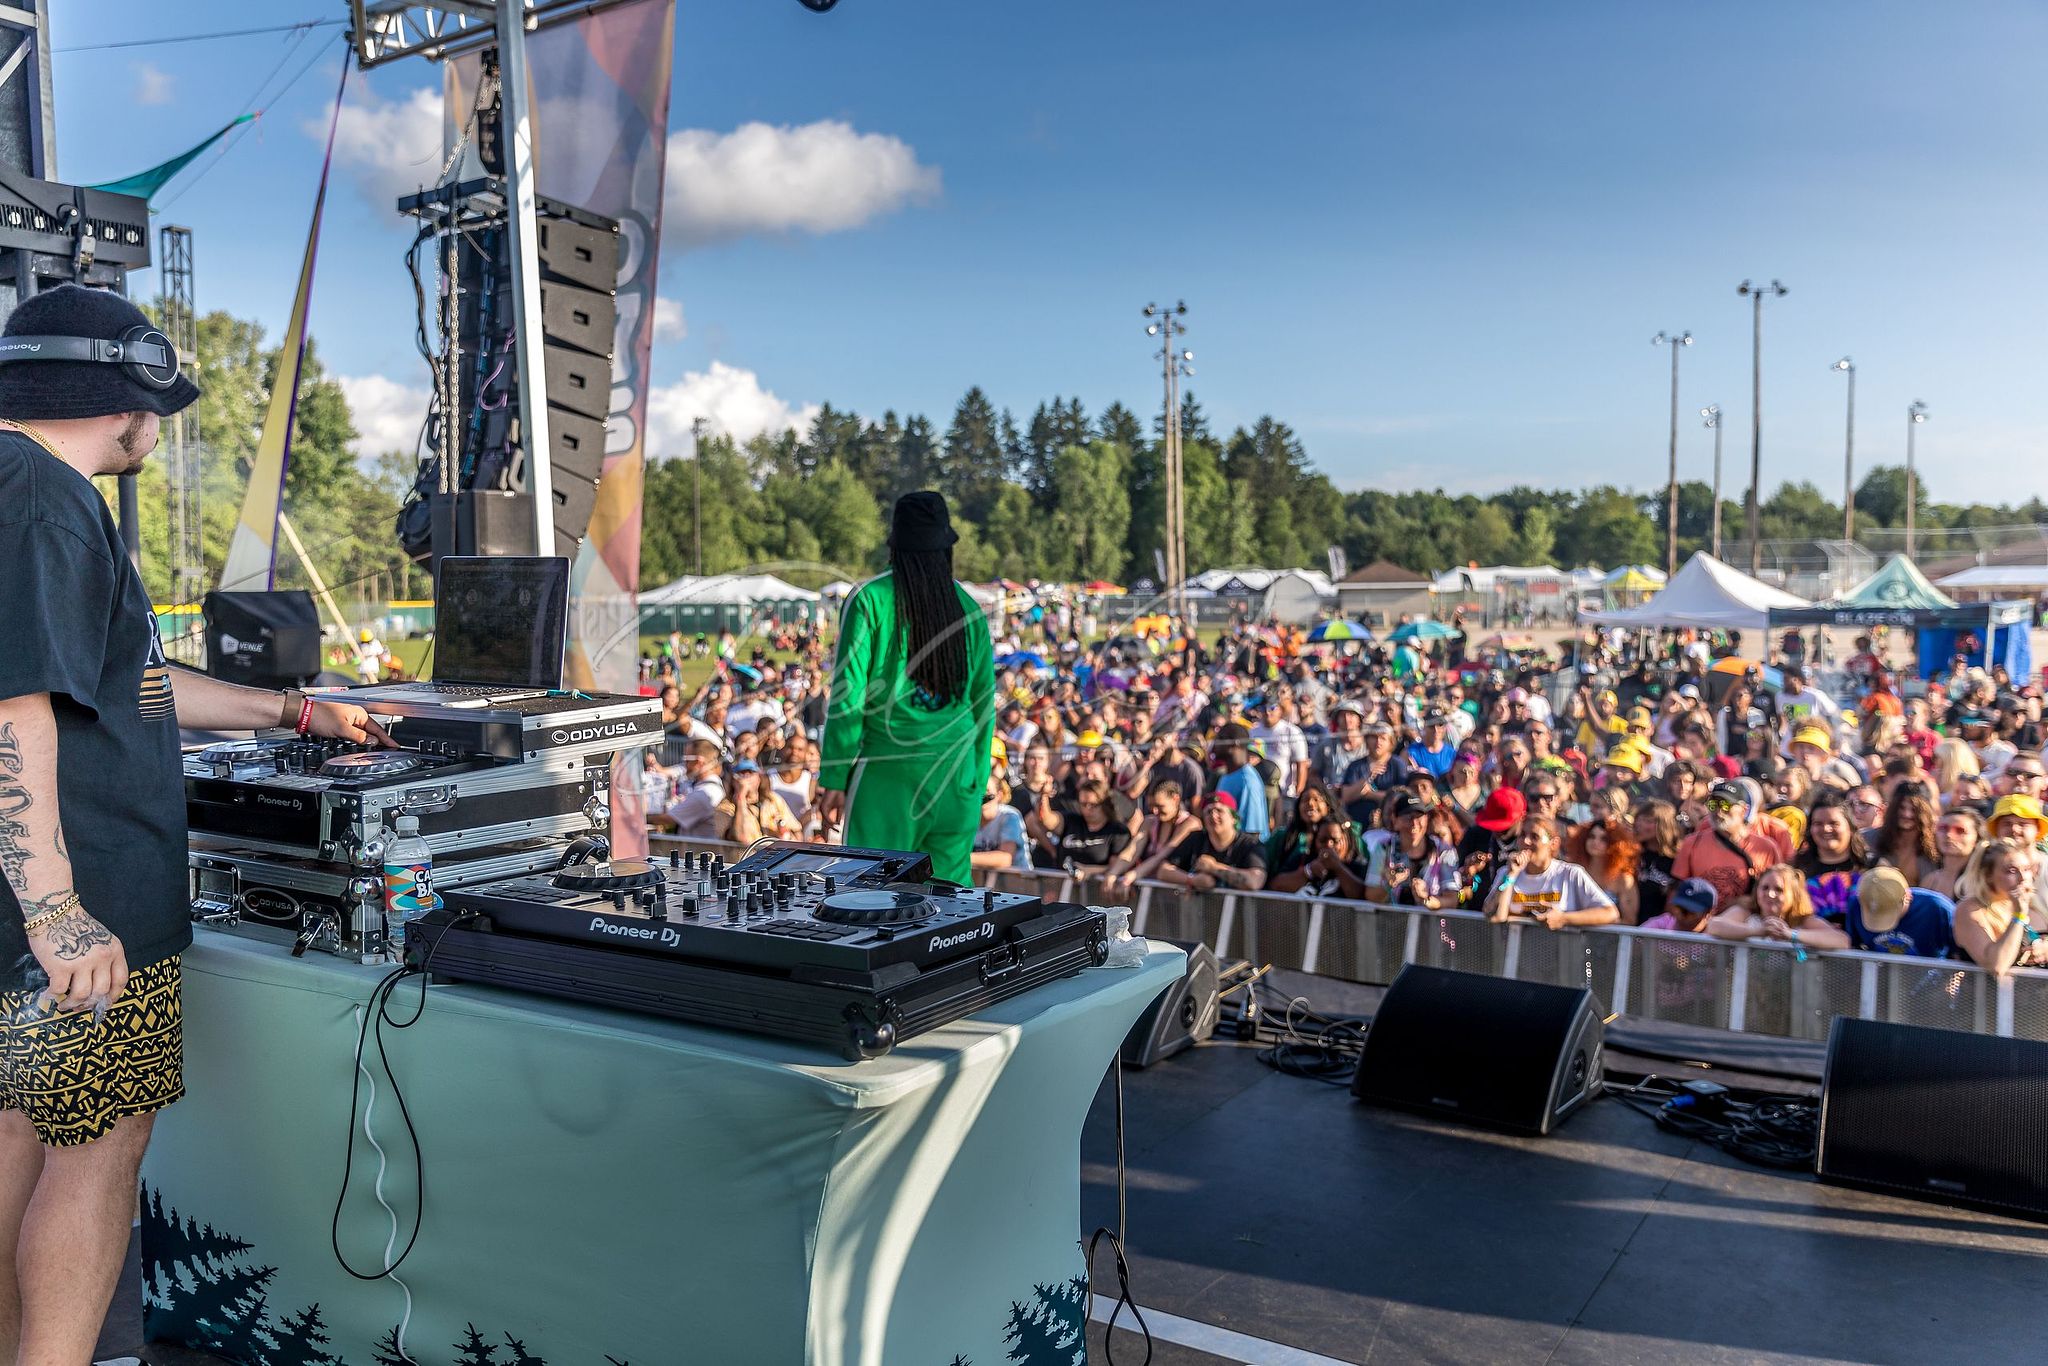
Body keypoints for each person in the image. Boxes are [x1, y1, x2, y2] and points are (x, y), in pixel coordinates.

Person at [0, 285, 392, 1365]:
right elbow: (14, 707)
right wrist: (57, 909)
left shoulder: (22, 488)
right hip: (83, 904)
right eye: (154, 409)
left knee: (18, 1137)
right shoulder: (41, 497)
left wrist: (292, 711)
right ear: (119, 396)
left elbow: (124, 678)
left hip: (33, 907)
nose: (157, 430)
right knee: (95, 1153)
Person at [818, 492, 996, 884]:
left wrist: (833, 776)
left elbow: (849, 697)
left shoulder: (869, 599)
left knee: (870, 900)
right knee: (953, 907)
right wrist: (977, 780)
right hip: (956, 778)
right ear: (947, 547)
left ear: (894, 545)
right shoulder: (970, 609)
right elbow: (984, 707)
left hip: (888, 776)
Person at [1484, 819, 1619, 929]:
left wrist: (1563, 918)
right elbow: (1495, 916)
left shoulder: (1571, 874)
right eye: (1522, 835)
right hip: (1514, 952)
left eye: (1535, 836)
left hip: (1560, 951)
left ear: (1553, 843)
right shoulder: (1506, 873)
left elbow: (1610, 913)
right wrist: (1511, 876)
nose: (1526, 841)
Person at [1673, 781, 1775, 912]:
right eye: (1713, 805)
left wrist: (1750, 901)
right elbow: (1676, 890)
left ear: (1744, 810)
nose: (1718, 811)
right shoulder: (1691, 843)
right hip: (1699, 920)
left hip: (1745, 921)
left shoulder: (1766, 848)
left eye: (1725, 805)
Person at [1951, 840, 2047, 975]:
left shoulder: (2032, 906)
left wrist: (2044, 950)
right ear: (1988, 875)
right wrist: (2019, 916)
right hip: (1983, 988)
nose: (2022, 878)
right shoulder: (1970, 910)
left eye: (2026, 869)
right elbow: (1997, 965)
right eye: (2011, 871)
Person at [1705, 864, 1850, 950]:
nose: (1770, 894)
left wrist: (1790, 934)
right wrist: (1759, 931)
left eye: (1779, 890)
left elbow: (1842, 940)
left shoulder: (1804, 921)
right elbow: (1714, 926)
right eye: (1765, 888)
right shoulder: (1745, 913)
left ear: (1794, 895)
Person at [1361, 790, 1461, 909]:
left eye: (1419, 817)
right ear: (1395, 820)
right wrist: (1389, 884)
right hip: (1393, 919)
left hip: (1431, 921)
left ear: (1426, 819)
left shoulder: (1444, 850)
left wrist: (1426, 900)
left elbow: (1452, 900)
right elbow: (1371, 895)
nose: (1414, 823)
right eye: (1407, 817)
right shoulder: (1383, 848)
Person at [1156, 792, 1268, 894]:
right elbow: (1163, 870)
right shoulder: (1196, 838)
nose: (1213, 816)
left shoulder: (1249, 844)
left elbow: (1255, 881)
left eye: (1219, 811)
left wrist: (1213, 868)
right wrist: (1192, 879)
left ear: (1233, 818)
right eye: (1208, 812)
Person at [1102, 779, 1202, 893]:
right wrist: (1113, 873)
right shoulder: (1149, 822)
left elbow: (1162, 855)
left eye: (1159, 806)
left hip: (1179, 892)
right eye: (1151, 806)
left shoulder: (1190, 823)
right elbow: (1132, 851)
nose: (1155, 811)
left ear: (1175, 799)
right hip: (1151, 891)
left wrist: (1133, 875)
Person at [1794, 790, 1873, 924]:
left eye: (1834, 823)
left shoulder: (1872, 865)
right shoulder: (1797, 868)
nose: (1826, 829)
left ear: (1850, 828)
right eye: (1818, 824)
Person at [1846, 866, 1956, 959]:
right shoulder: (1855, 906)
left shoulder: (1938, 908)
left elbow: (1959, 953)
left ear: (1908, 897)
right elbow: (1853, 946)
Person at [1267, 819, 1373, 900]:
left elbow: (1362, 895)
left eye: (1335, 841)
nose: (1329, 845)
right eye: (1322, 840)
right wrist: (1308, 871)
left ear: (1346, 841)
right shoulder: (1303, 860)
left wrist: (1338, 868)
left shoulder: (1358, 866)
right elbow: (1275, 886)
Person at [1567, 816, 1640, 923]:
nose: (1595, 842)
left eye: (1604, 839)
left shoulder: (1624, 879)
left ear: (1616, 844)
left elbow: (1629, 921)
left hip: (1610, 933)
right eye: (1591, 837)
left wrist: (1600, 919)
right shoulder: (1573, 871)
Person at [713, 758, 803, 843]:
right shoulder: (725, 808)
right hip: (747, 853)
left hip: (776, 851)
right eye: (742, 773)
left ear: (759, 777)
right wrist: (741, 797)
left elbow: (797, 831)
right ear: (733, 780)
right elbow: (739, 837)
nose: (747, 777)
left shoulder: (773, 800)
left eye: (750, 772)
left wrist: (786, 835)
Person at [1870, 781, 1939, 888]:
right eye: (1901, 808)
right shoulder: (1869, 839)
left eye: (1914, 809)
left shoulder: (1938, 844)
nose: (1907, 814)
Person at [1210, 722, 1271, 839]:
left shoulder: (1248, 781)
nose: (1214, 744)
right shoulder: (1226, 775)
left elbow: (1253, 834)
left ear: (1235, 743)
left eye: (1220, 739)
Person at [1925, 806, 1984, 901]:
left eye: (1960, 831)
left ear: (1977, 839)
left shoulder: (1982, 882)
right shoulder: (1930, 880)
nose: (1949, 835)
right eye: (1943, 828)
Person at [972, 776, 1031, 871]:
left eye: (987, 791)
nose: (982, 796)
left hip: (1015, 878)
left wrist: (964, 858)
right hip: (982, 878)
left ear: (999, 795)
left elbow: (1006, 859)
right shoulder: (969, 818)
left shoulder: (1009, 816)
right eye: (978, 791)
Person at [1641, 875, 1716, 933]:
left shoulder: (1715, 936)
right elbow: (1636, 941)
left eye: (1691, 911)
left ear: (1708, 913)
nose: (1682, 916)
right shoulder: (1659, 926)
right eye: (1680, 908)